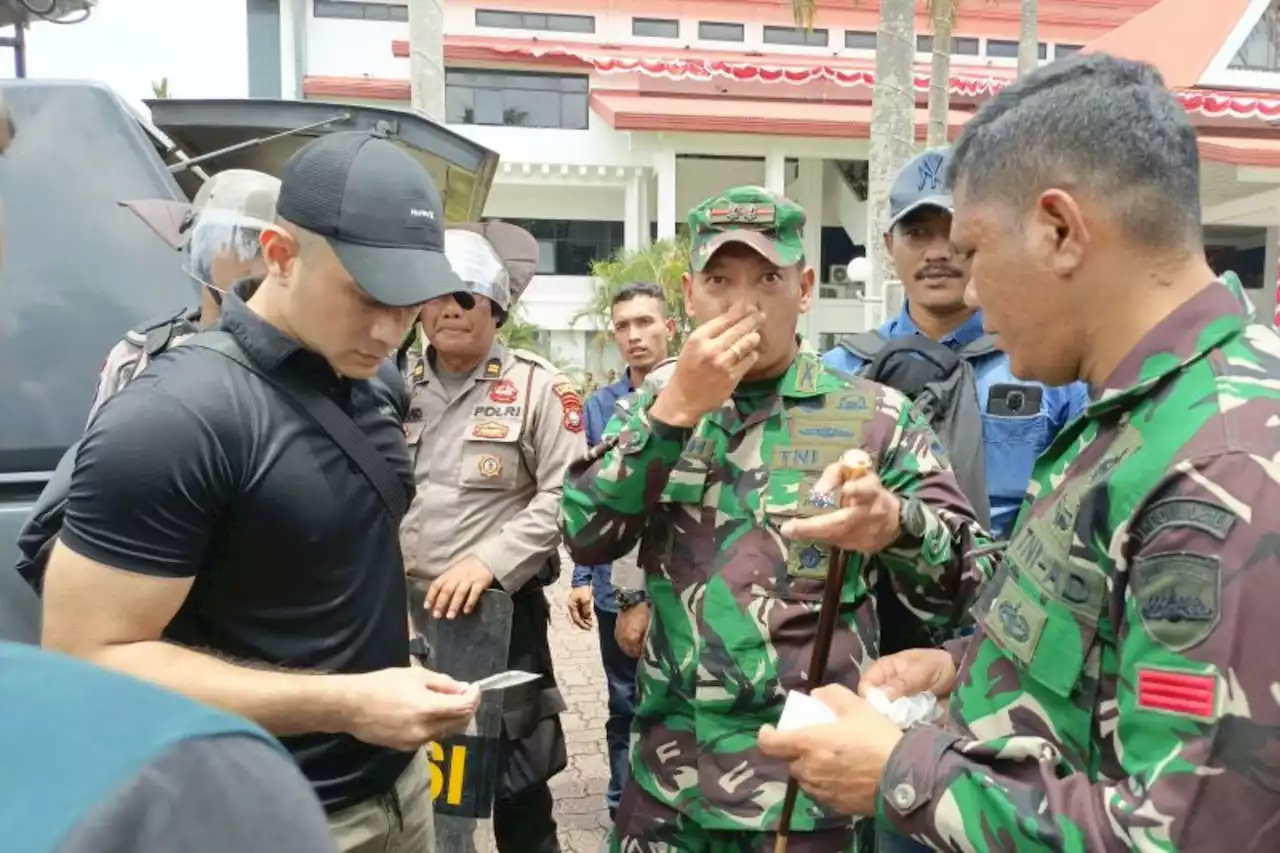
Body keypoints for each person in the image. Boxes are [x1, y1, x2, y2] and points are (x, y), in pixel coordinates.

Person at [756, 53, 1280, 851]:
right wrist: (961, 666)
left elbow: (1180, 836)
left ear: (1060, 230)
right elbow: (1097, 652)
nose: (966, 291)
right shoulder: (1137, 416)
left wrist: (902, 770)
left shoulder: (1227, 465)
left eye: (973, 252)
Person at [40, 130, 482, 853]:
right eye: (365, 295)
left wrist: (403, 655)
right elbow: (88, 660)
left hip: (398, 791)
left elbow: (360, 539)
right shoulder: (173, 418)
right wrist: (346, 703)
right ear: (279, 254)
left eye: (409, 303)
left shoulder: (376, 382)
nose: (388, 329)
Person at [561, 185, 993, 852]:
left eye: (768, 277)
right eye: (719, 280)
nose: (744, 302)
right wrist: (673, 414)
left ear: (807, 286)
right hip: (667, 790)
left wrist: (899, 525)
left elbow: (971, 578)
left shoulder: (874, 416)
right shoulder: (651, 401)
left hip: (804, 793)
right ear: (688, 293)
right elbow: (586, 531)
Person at [400, 223, 585, 853]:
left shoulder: (539, 387)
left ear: (496, 309)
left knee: (518, 787)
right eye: (438, 295)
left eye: (468, 297)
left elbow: (566, 495)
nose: (450, 308)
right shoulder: (389, 386)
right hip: (408, 623)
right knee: (426, 784)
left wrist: (488, 561)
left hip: (503, 623)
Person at [14, 169, 282, 595]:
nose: (247, 263)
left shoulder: (302, 362)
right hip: (149, 568)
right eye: (232, 244)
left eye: (258, 248)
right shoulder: (145, 353)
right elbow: (98, 478)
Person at [823, 147, 1088, 542]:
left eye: (954, 232)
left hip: (1008, 591)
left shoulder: (1050, 368)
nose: (938, 252)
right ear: (887, 246)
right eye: (916, 233)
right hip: (867, 596)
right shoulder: (839, 372)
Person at [0, 641, 341, 853]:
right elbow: (89, 652)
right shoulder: (194, 774)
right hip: (291, 799)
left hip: (376, 786)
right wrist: (346, 704)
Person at [566, 280, 675, 823]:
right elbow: (590, 502)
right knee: (624, 703)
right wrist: (582, 580)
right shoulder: (601, 405)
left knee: (678, 706)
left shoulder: (696, 392)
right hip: (615, 590)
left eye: (645, 323)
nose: (635, 336)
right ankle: (621, 808)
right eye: (624, 327)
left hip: (683, 589)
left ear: (669, 326)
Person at [86, 169, 282, 422]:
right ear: (206, 247)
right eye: (247, 246)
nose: (262, 268)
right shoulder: (140, 354)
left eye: (271, 252)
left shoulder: (303, 360)